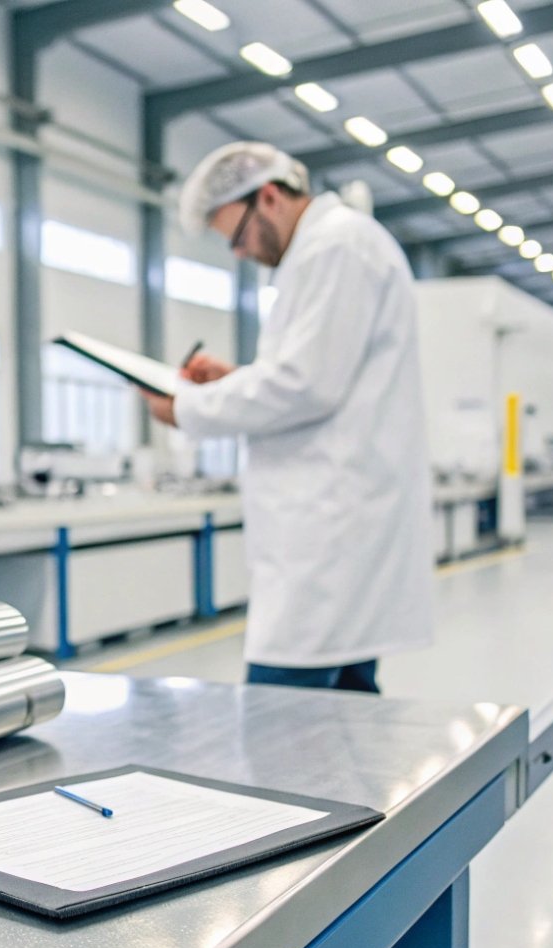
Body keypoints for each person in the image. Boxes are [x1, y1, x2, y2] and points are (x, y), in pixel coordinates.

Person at [144, 142, 434, 694]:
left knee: (279, 715)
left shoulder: (336, 246)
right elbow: (318, 375)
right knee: (346, 714)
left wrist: (186, 408)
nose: (239, 252)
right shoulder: (334, 247)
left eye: (237, 235)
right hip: (336, 527)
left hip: (327, 533)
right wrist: (234, 379)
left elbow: (306, 386)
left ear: (270, 198)